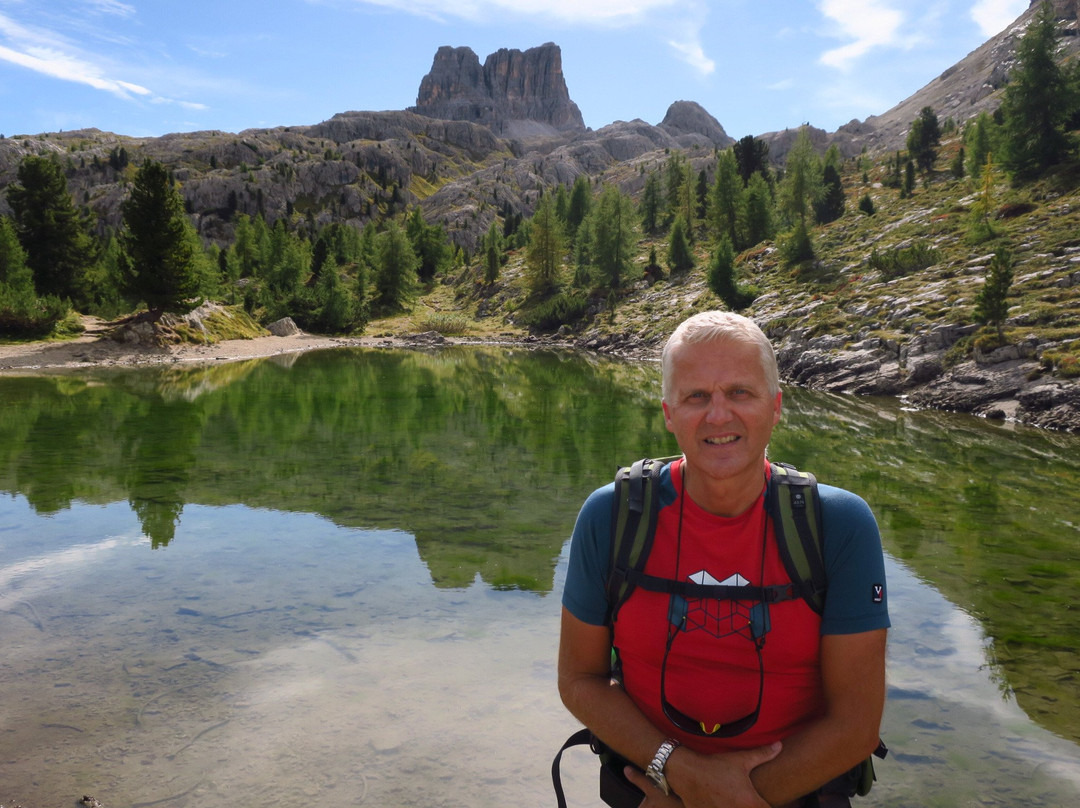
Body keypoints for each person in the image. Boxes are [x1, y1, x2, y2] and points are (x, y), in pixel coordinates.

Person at [558, 311, 889, 808]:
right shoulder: (613, 516)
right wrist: (678, 769)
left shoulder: (837, 526)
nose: (718, 416)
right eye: (696, 396)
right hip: (650, 789)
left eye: (739, 392)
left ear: (776, 406)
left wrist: (719, 800)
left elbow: (855, 726)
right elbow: (579, 679)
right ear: (668, 412)